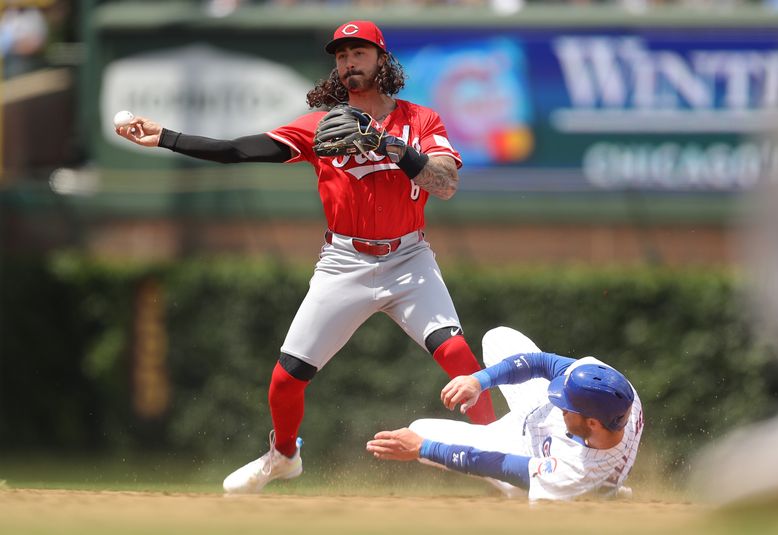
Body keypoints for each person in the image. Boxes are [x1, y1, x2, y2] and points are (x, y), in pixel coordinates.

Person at [115, 19, 496, 493]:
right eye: (341, 56)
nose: (348, 62)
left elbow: (445, 184)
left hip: (409, 259)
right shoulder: (321, 125)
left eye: (358, 53)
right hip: (345, 263)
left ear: (382, 59)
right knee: (286, 380)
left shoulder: (420, 121)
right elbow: (239, 149)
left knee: (460, 356)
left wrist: (391, 147)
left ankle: (496, 459)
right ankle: (283, 455)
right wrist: (166, 136)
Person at [366, 326, 644, 501]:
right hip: (539, 420)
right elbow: (542, 362)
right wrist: (479, 381)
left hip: (530, 454)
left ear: (592, 422)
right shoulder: (613, 388)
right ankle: (601, 493)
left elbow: (499, 465)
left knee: (420, 430)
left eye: (566, 404)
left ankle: (600, 496)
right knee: (498, 337)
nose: (558, 400)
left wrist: (424, 448)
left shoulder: (576, 471)